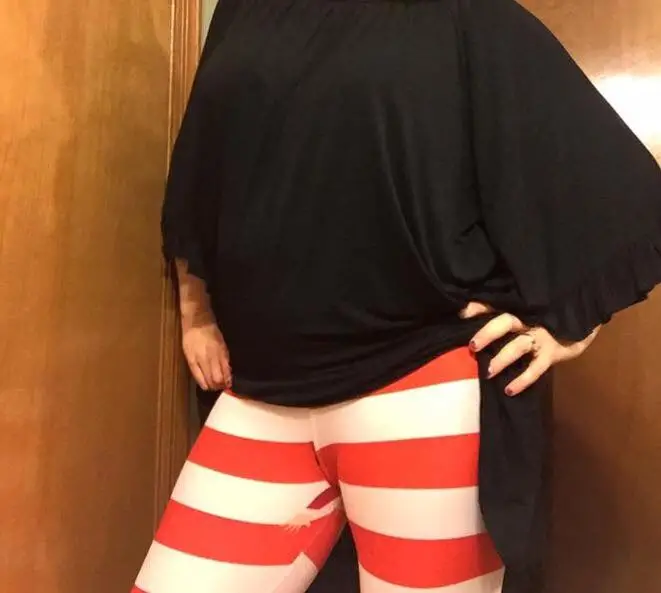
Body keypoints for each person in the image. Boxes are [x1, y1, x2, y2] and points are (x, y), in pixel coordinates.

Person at [132, 0, 661, 591]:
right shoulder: (246, 10)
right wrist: (196, 310)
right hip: (262, 388)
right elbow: (202, 161)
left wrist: (569, 326)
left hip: (420, 387)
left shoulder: (459, 13)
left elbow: (609, 184)